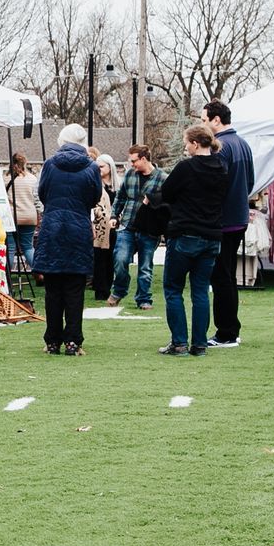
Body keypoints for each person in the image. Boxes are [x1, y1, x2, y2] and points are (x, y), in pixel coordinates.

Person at [152, 124, 230, 356]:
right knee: (200, 291)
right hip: (212, 236)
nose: (185, 147)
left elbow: (166, 192)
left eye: (187, 142)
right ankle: (199, 344)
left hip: (185, 233)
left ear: (195, 144)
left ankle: (179, 342)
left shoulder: (186, 167)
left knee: (173, 289)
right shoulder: (221, 167)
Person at [35, 124, 102, 355]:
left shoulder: (50, 165)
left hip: (53, 227)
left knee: (53, 289)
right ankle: (73, 341)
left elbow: (42, 193)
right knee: (75, 289)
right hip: (78, 229)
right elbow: (94, 198)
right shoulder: (92, 167)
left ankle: (52, 341)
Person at [202, 99, 254, 347]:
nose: (203, 125)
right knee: (227, 276)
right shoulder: (243, 144)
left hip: (223, 221)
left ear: (216, 120)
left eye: (204, 120)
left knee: (220, 278)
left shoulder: (221, 147)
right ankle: (231, 328)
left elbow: (214, 186)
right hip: (239, 219)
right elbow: (251, 182)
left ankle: (226, 332)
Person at [109, 145, 165, 309]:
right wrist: (114, 215)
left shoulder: (162, 178)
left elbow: (168, 202)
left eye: (134, 161)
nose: (131, 164)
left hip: (150, 228)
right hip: (127, 224)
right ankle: (119, 290)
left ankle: (144, 299)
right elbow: (120, 197)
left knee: (145, 266)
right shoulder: (129, 175)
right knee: (120, 259)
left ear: (143, 159)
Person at [7, 153, 40, 271]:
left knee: (10, 248)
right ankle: (40, 273)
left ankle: (7, 277)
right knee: (28, 247)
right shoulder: (33, 179)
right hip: (29, 217)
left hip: (12, 217)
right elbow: (37, 198)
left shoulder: (6, 178)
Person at [91, 154, 117, 300]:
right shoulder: (95, 184)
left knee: (110, 258)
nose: (99, 169)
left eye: (102, 167)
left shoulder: (115, 186)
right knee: (99, 258)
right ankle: (101, 290)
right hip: (99, 226)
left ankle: (108, 285)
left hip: (113, 225)